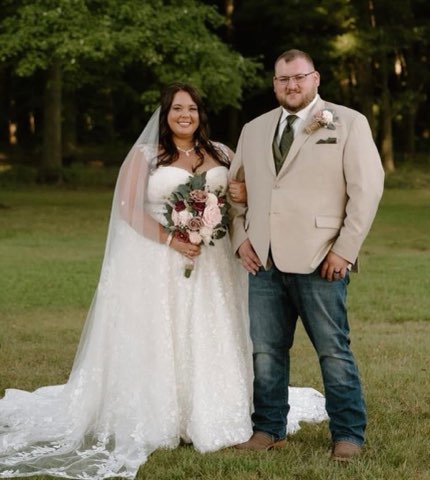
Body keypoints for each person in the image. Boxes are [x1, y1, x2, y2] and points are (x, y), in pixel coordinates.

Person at [0, 82, 327, 479]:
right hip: (161, 262)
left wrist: (237, 195)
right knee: (164, 333)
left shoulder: (221, 152)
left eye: (191, 108)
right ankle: (164, 415)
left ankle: (216, 409)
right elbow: (127, 208)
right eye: (176, 109)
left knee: (214, 331)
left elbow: (244, 199)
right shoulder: (146, 155)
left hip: (214, 267)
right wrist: (173, 238)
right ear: (165, 114)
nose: (184, 115)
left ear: (200, 114)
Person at [229, 50, 384, 460]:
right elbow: (236, 189)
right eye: (283, 80)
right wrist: (241, 238)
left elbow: (366, 191)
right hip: (263, 260)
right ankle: (267, 429)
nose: (291, 86)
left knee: (333, 351)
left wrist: (345, 250)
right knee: (265, 351)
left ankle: (348, 434)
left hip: (322, 259)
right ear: (275, 84)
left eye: (298, 78)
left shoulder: (348, 122)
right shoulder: (255, 129)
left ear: (315, 79)